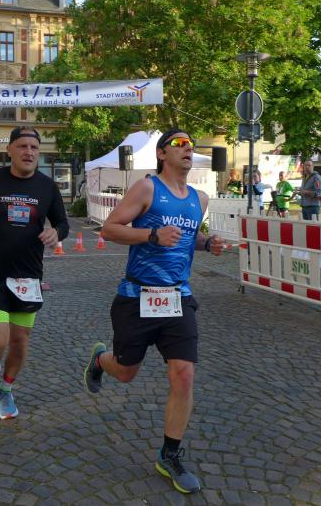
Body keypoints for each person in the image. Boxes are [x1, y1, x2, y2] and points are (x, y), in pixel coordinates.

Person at [82, 128, 225, 495]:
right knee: (126, 372)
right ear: (162, 153)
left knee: (184, 375)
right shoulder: (147, 188)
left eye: (191, 144)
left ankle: (169, 455)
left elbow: (186, 236)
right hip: (137, 296)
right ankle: (100, 360)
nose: (187, 148)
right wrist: (150, 235)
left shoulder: (199, 199)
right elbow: (110, 229)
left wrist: (208, 243)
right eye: (179, 143)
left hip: (178, 297)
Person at [0, 126, 69, 419]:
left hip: (28, 276)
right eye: (22, 146)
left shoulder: (47, 187)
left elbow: (63, 223)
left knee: (19, 342)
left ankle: (6, 389)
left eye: (34, 147)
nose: (28, 152)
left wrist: (56, 233)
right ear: (9, 151)